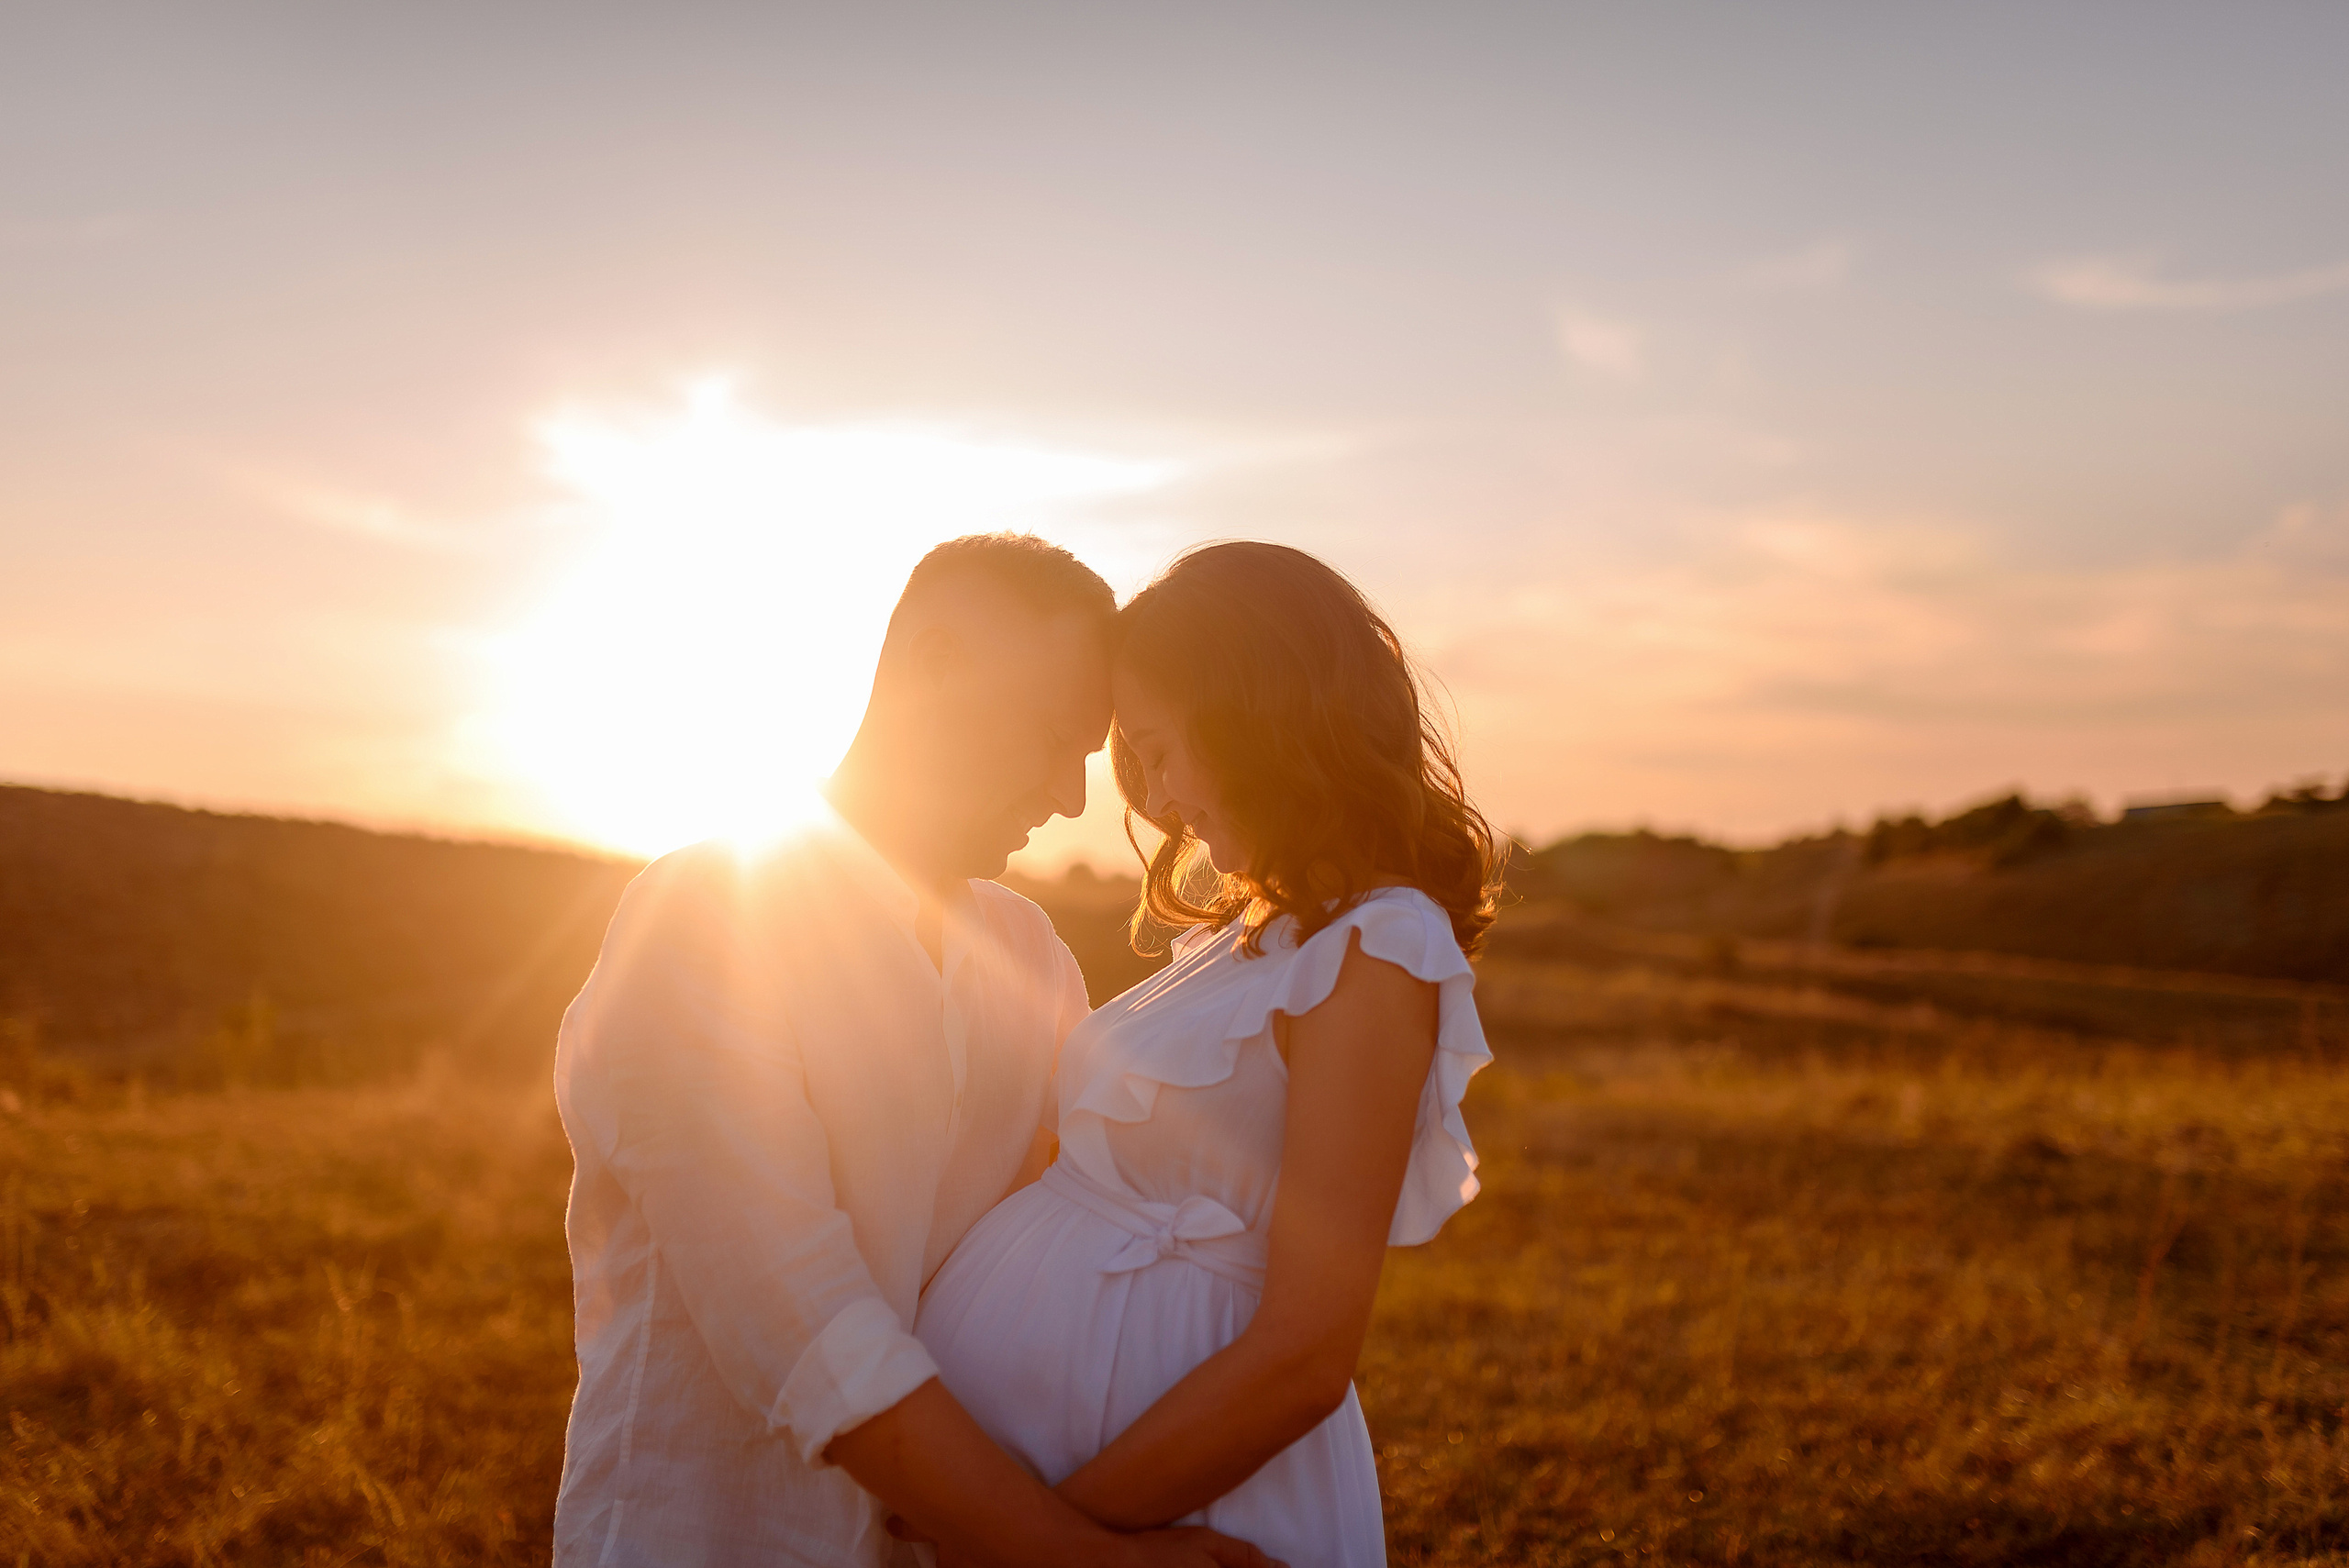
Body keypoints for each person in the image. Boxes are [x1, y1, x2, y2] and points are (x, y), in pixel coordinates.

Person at [551, 534, 1278, 1568]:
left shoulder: (1027, 951)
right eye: (1046, 735)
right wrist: (1071, 1553)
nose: (1072, 796)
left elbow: (1079, 1228)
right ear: (934, 667)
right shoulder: (710, 911)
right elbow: (798, 1320)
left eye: (1090, 751)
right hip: (716, 1531)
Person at [913, 541, 1501, 1568]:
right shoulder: (1250, 934)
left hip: (1179, 1505)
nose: (1158, 793)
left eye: (1157, 747)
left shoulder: (1376, 946)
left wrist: (1043, 1537)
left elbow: (1307, 1351)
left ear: (1255, 717)